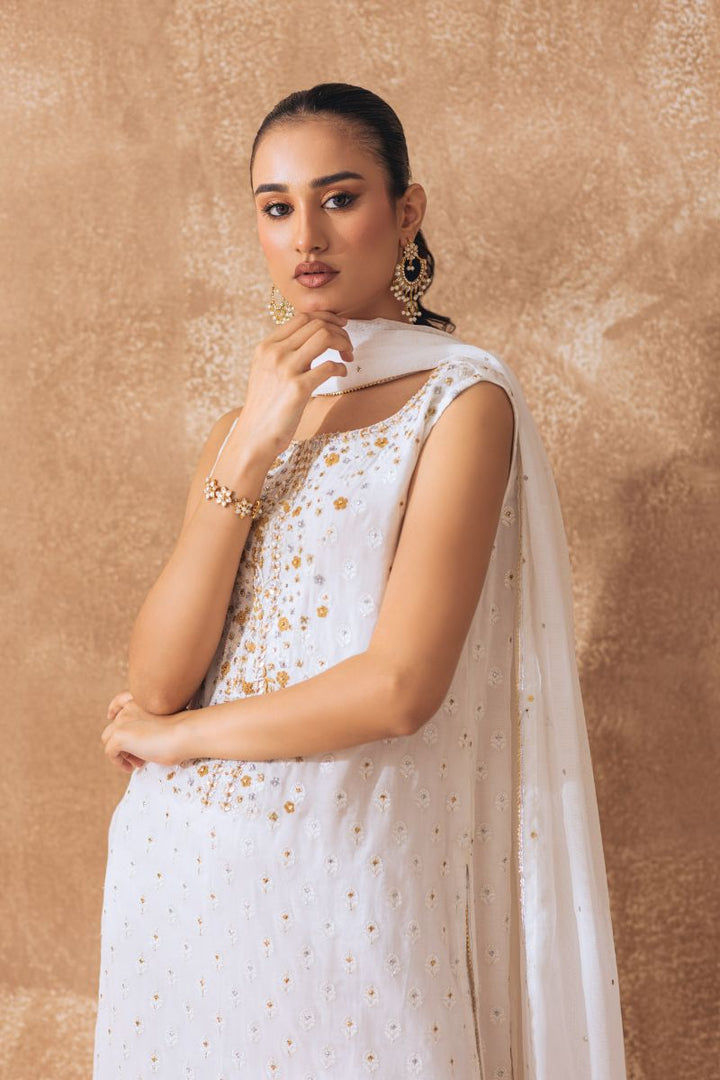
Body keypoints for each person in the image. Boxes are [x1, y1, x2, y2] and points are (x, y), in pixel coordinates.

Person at [94, 83, 627, 1079]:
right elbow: (158, 677)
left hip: (353, 873)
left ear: (406, 211)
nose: (307, 236)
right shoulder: (246, 422)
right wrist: (251, 445)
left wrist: (177, 741)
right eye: (276, 207)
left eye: (339, 198)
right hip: (183, 881)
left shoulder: (460, 402)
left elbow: (399, 689)